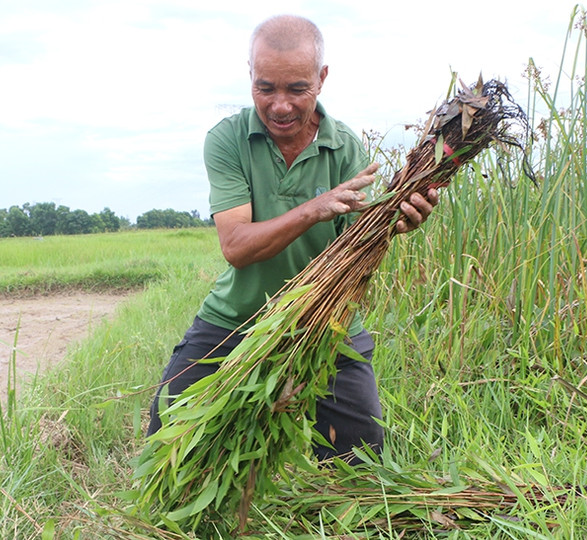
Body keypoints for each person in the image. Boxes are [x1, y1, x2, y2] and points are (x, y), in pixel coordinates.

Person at [147, 14, 438, 462]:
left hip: (325, 318)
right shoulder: (227, 140)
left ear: (321, 79)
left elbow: (351, 249)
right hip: (238, 317)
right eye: (266, 88)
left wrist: (393, 222)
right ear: (250, 77)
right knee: (168, 438)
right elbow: (237, 247)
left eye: (296, 89)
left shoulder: (345, 147)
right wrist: (311, 210)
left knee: (360, 464)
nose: (280, 105)